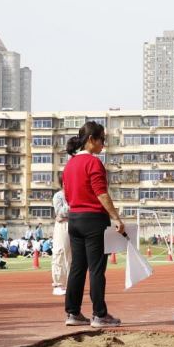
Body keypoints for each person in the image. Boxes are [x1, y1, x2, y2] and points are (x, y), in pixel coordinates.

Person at [63, 121, 122, 328]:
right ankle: (99, 314)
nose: (103, 144)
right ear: (91, 140)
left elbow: (67, 194)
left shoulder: (69, 164)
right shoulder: (93, 163)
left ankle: (73, 312)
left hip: (74, 218)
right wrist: (116, 218)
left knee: (77, 267)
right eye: (102, 139)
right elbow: (101, 193)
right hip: (93, 219)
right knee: (97, 268)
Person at [52, 173, 70, 296]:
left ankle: (71, 283)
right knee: (60, 252)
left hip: (75, 224)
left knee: (72, 256)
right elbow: (60, 212)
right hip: (63, 226)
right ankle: (58, 284)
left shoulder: (77, 194)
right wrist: (72, 204)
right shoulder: (58, 196)